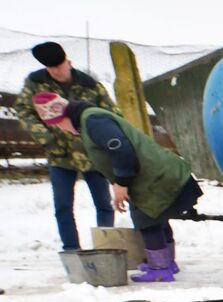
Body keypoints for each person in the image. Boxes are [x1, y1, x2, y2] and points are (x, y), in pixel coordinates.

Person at [32, 91, 201, 282]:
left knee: (147, 219)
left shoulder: (93, 121)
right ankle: (167, 262)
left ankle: (160, 269)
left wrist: (122, 182)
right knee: (158, 216)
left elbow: (121, 149)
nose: (61, 129)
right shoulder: (90, 119)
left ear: (62, 116)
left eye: (57, 124)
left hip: (154, 177)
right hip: (157, 174)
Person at [14, 42, 120, 252]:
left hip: (92, 154)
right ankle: (71, 249)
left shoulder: (91, 85)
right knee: (63, 206)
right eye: (51, 68)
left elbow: (112, 114)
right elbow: (24, 111)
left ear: (68, 62)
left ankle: (105, 247)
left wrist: (99, 138)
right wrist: (47, 137)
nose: (57, 71)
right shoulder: (35, 83)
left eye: (60, 66)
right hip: (59, 154)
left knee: (104, 204)